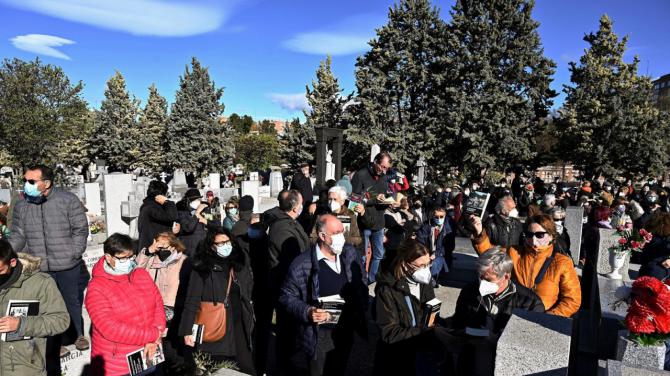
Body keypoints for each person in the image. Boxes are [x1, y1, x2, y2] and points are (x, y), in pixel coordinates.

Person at [8, 165, 90, 364]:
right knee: (46, 306)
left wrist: (74, 252)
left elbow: (80, 229)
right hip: (39, 265)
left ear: (46, 183)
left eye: (31, 181)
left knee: (71, 301)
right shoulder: (22, 204)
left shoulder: (67, 200)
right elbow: (18, 234)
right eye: (25, 181)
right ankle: (56, 342)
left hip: (67, 263)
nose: (26, 185)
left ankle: (78, 334)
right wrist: (7, 251)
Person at [280, 214, 368, 375]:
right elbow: (286, 296)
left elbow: (361, 278)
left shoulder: (349, 253)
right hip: (320, 334)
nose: (341, 237)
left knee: (339, 368)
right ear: (322, 236)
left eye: (342, 231)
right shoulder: (302, 264)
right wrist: (307, 311)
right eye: (336, 233)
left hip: (345, 328)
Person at [449, 248, 544, 375]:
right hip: (471, 363)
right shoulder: (470, 291)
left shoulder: (530, 302)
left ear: (506, 276)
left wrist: (496, 338)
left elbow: (531, 343)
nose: (482, 283)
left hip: (506, 366)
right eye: (480, 277)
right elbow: (458, 321)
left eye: (488, 280)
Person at [85, 233, 166, 376]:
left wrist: (156, 334)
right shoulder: (97, 287)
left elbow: (157, 303)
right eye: (123, 258)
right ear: (108, 258)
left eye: (131, 257)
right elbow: (110, 328)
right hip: (119, 364)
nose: (128, 261)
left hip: (150, 351)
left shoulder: (140, 274)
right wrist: (152, 334)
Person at [470, 214, 581, 317]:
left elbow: (572, 300)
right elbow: (491, 255)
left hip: (542, 318)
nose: (533, 240)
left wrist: (547, 317)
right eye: (529, 234)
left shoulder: (562, 262)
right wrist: (480, 233)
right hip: (512, 313)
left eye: (540, 235)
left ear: (551, 236)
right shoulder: (514, 252)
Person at [179, 227, 255, 375]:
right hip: (214, 325)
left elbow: (247, 291)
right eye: (220, 244)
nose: (225, 246)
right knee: (218, 368)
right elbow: (192, 299)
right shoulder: (202, 266)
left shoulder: (238, 263)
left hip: (239, 323)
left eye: (227, 242)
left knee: (245, 366)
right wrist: (187, 330)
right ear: (211, 246)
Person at [373, 239, 445, 376]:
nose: (426, 270)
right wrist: (423, 332)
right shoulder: (387, 290)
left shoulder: (424, 282)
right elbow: (389, 332)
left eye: (428, 264)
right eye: (420, 266)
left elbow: (430, 309)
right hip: (396, 358)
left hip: (421, 353)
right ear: (405, 265)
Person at [0, 239, 70, 376]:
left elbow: (61, 320)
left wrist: (21, 324)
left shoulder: (41, 283)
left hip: (24, 367)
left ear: (12, 263)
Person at [268, 189, 310, 373]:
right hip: (286, 283)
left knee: (290, 328)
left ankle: (287, 361)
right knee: (286, 328)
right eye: (301, 203)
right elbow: (292, 257)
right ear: (294, 207)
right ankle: (284, 366)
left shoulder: (288, 222)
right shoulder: (282, 227)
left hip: (291, 282)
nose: (303, 206)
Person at [137, 232, 191, 373]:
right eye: (158, 247)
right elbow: (134, 270)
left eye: (164, 247)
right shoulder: (151, 259)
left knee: (172, 346)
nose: (161, 251)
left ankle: (178, 368)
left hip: (174, 309)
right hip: (152, 309)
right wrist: (148, 251)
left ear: (173, 247)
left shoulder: (183, 261)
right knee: (156, 344)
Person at [352, 152, 392, 283]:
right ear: (375, 162)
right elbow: (353, 201)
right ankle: (362, 279)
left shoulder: (383, 177)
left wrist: (387, 201)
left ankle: (371, 279)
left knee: (379, 255)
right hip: (363, 222)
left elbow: (384, 195)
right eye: (382, 166)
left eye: (386, 168)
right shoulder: (361, 175)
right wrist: (374, 199)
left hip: (379, 221)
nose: (384, 170)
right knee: (362, 256)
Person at [416, 206, 455, 286]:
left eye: (441, 216)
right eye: (436, 217)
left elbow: (449, 247)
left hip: (441, 254)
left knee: (435, 264)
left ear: (445, 216)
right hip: (427, 252)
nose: (439, 218)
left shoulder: (448, 229)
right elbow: (420, 241)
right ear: (433, 216)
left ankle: (432, 280)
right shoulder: (426, 226)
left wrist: (436, 254)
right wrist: (425, 253)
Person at [138, 180, 178, 251]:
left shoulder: (150, 206)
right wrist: (167, 202)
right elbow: (172, 216)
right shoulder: (151, 207)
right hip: (154, 249)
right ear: (161, 195)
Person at [176, 188, 209, 256]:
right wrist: (197, 213)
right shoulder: (182, 212)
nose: (198, 201)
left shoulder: (204, 210)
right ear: (189, 201)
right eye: (196, 200)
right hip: (190, 248)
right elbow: (188, 228)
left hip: (204, 246)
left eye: (199, 199)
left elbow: (215, 224)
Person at [291, 164, 317, 233]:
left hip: (307, 200)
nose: (306, 170)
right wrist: (304, 177)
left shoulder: (306, 176)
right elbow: (298, 186)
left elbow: (308, 188)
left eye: (307, 168)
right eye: (305, 168)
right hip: (301, 201)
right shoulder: (297, 176)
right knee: (300, 217)